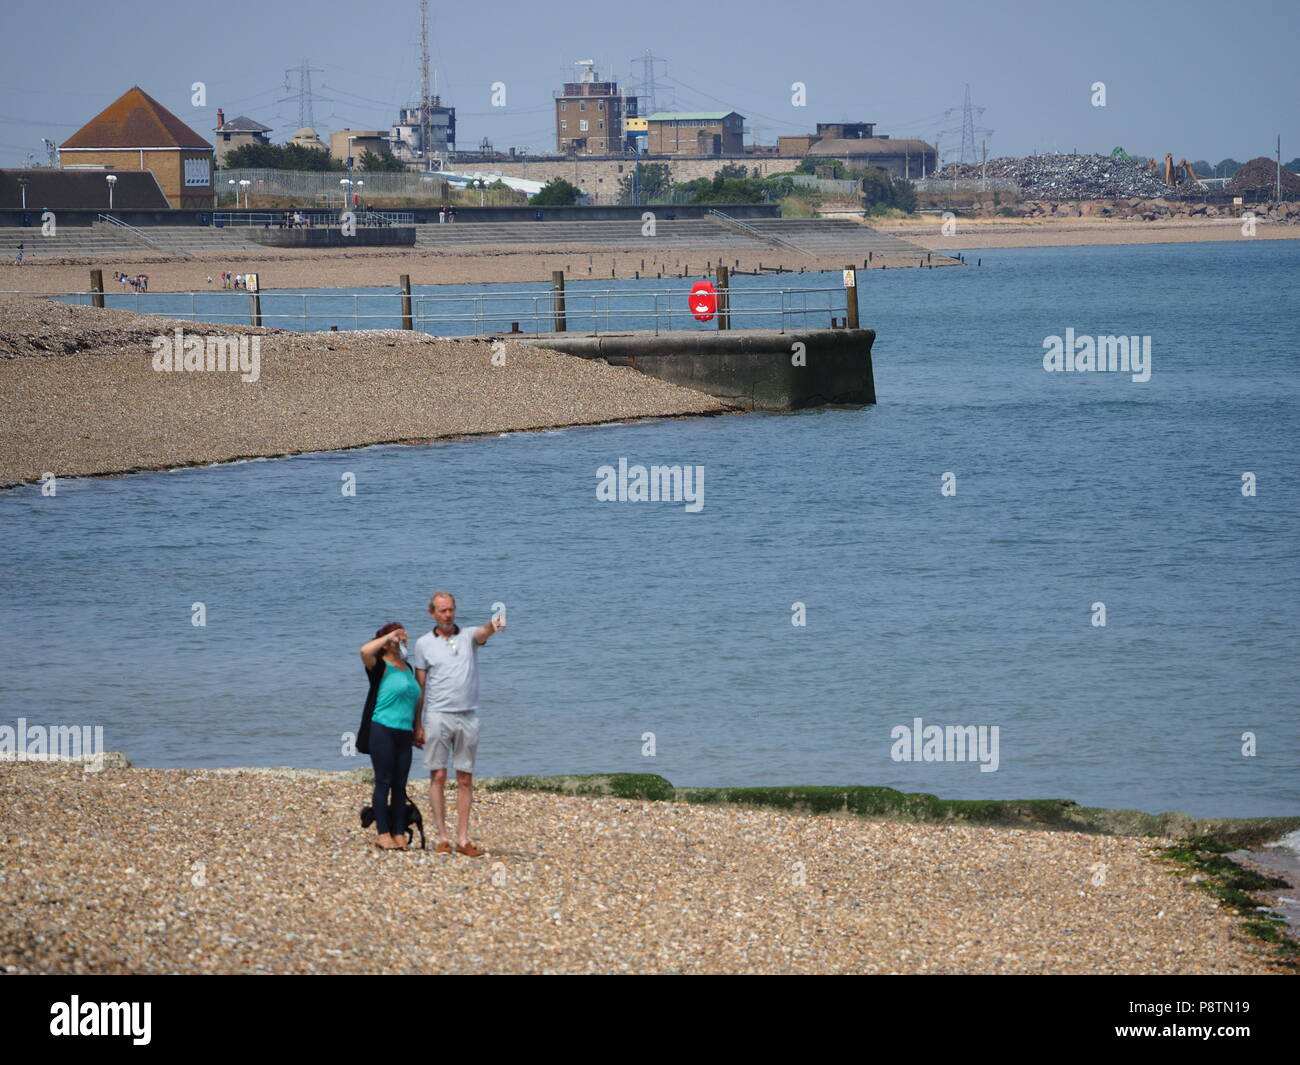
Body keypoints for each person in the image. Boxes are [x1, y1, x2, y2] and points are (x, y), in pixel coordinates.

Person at [412, 592, 504, 857]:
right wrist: (416, 724)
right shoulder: (423, 644)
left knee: (465, 777)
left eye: (451, 610)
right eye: (442, 611)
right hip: (438, 715)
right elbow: (420, 686)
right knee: (438, 775)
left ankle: (463, 839)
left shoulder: (467, 637)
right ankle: (442, 837)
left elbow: (483, 632)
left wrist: (494, 623)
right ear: (432, 613)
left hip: (468, 715)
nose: (448, 615)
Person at [359, 622, 420, 851]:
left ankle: (398, 832)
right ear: (386, 642)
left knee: (400, 785)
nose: (403, 640)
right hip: (382, 729)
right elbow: (364, 651)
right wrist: (390, 636)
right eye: (398, 637)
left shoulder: (408, 668)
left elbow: (414, 701)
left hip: (404, 733)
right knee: (383, 782)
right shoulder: (379, 666)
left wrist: (417, 728)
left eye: (404, 636)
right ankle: (382, 833)